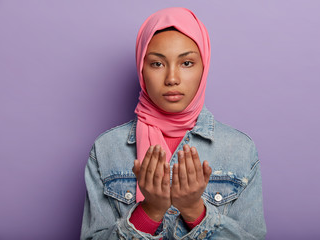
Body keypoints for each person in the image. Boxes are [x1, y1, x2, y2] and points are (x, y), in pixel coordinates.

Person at [81, 7, 266, 240]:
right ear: (141, 69)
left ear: (203, 67)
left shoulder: (239, 149)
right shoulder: (107, 148)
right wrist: (149, 212)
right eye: (157, 64)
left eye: (186, 63)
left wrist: (195, 211)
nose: (172, 79)